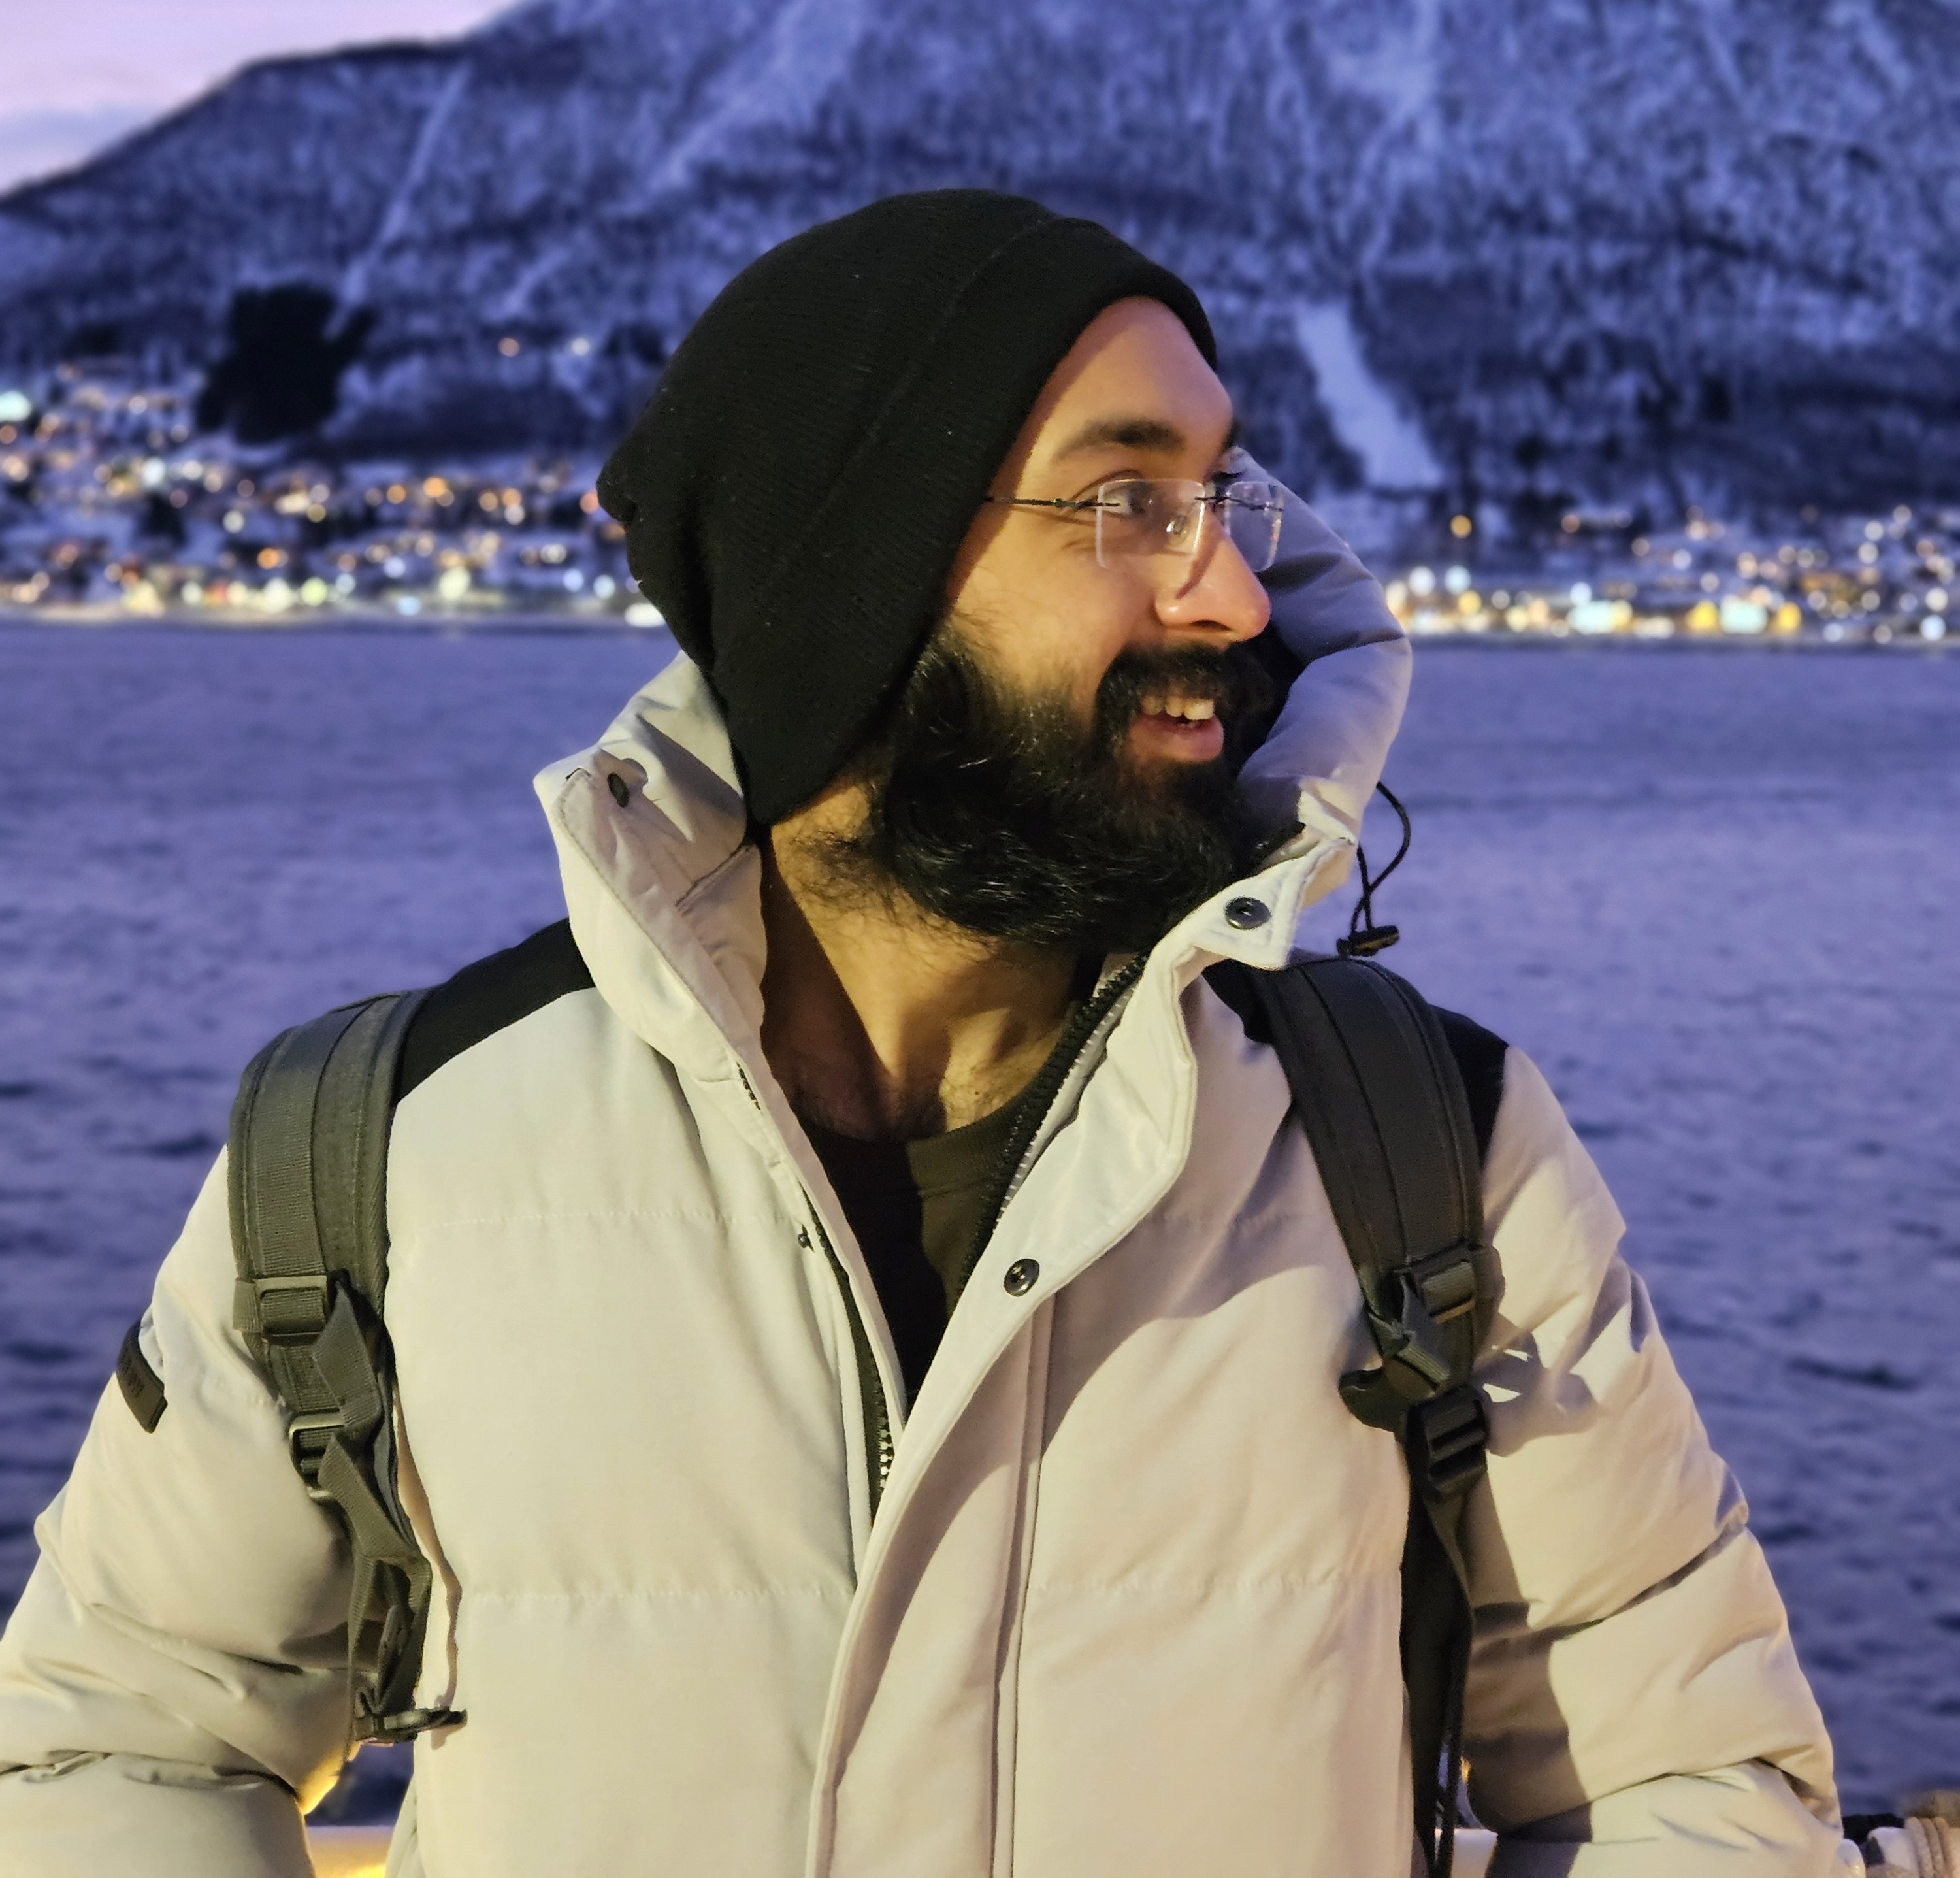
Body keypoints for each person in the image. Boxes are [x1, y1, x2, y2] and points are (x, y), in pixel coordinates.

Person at [0, 189, 1855, 1877]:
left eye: (1228, 500)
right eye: (1131, 500)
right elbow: (118, 1748)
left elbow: (1686, 1789)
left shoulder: (1428, 1153)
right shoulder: (376, 1165)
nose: (1230, 593)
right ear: (855, 577)